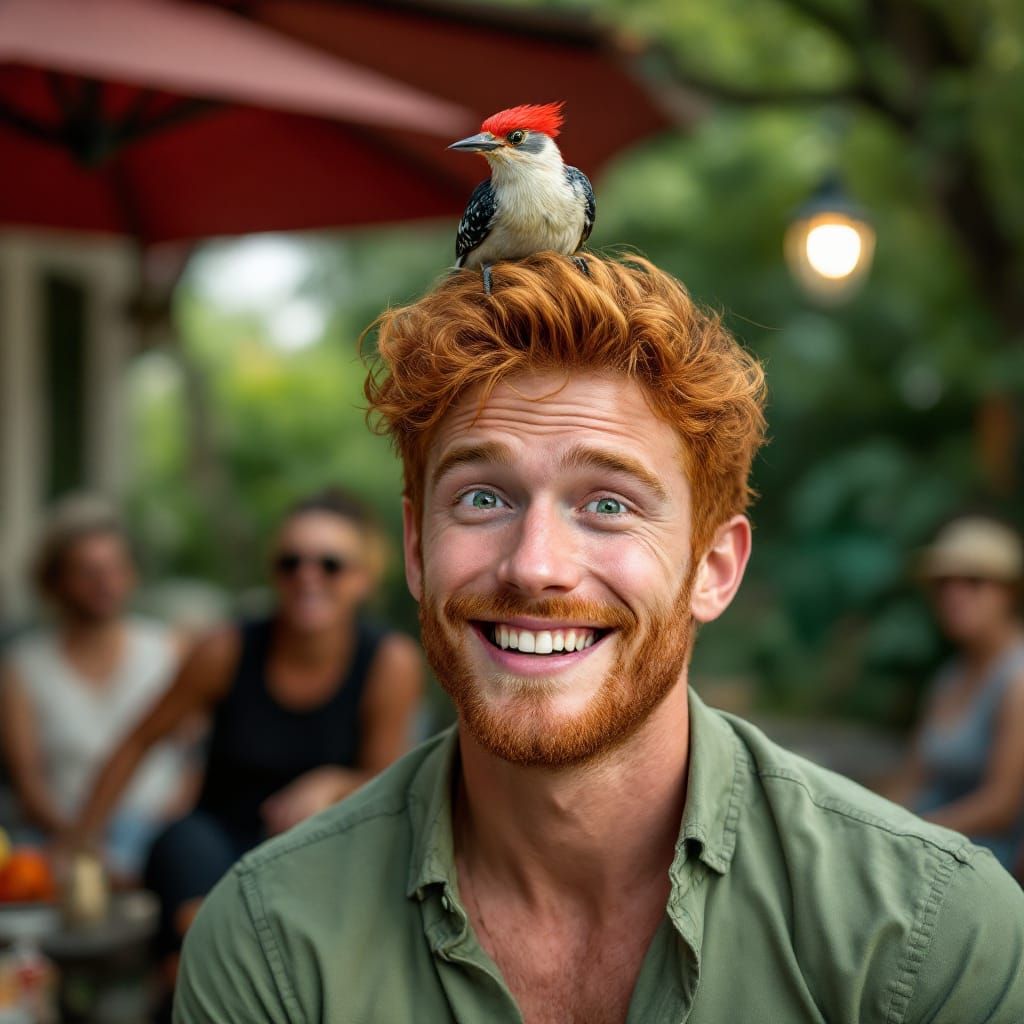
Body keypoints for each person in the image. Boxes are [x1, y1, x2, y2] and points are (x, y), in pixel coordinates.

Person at [176, 255, 1024, 1024]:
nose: (535, 566)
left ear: (713, 568)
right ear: (413, 549)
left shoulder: (932, 933)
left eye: (608, 504)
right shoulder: (268, 943)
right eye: (481, 498)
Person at [66, 487, 423, 965]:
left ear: (363, 578)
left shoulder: (389, 662)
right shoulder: (225, 650)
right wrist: (79, 846)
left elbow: (390, 787)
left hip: (321, 852)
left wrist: (333, 784)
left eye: (330, 565)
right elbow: (137, 742)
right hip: (214, 848)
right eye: (290, 563)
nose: (307, 577)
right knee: (186, 853)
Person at [0, 495, 189, 880]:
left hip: (158, 835)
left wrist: (161, 836)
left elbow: (194, 762)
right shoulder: (25, 666)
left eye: (115, 568)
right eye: (87, 571)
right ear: (55, 581)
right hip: (60, 838)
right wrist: (81, 839)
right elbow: (28, 783)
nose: (105, 583)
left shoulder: (168, 650)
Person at [884, 516, 1024, 873]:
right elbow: (912, 778)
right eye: (944, 583)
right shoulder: (950, 677)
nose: (955, 594)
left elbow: (1001, 806)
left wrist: (912, 832)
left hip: (979, 868)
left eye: (974, 582)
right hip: (925, 845)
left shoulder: (1016, 676)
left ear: (1008, 591)